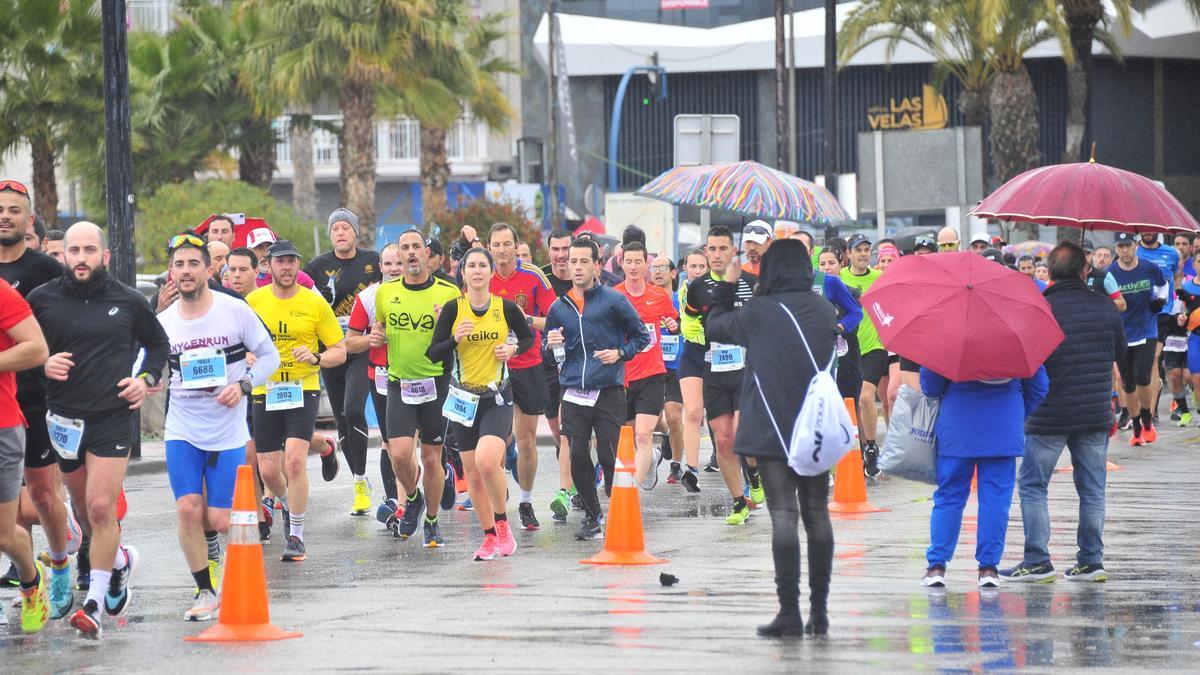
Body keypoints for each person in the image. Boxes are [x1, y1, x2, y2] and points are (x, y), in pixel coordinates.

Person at [29, 222, 169, 639]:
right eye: (74, 250)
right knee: (85, 512)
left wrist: (144, 379)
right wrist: (42, 363)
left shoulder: (128, 300)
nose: (81, 257)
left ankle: (93, 604)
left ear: (104, 256)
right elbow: (20, 345)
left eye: (90, 249)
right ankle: (120, 560)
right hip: (64, 419)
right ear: (63, 254)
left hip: (112, 416)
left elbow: (158, 345)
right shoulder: (42, 300)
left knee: (102, 507)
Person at [706, 238, 837, 637]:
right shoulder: (823, 309)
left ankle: (789, 612)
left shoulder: (759, 312)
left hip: (772, 427)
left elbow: (715, 325)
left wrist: (729, 279)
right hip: (815, 426)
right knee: (817, 514)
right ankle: (820, 612)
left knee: (783, 515)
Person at [156, 235, 280, 620]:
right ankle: (205, 591)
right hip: (182, 429)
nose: (186, 271)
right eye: (180, 265)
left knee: (222, 519)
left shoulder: (233, 310)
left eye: (194, 263)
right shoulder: (163, 322)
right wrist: (146, 379)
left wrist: (242, 385)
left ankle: (242, 579)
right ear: (172, 273)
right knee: (188, 509)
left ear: (209, 269)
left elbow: (270, 356)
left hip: (227, 433)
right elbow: (145, 367)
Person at [1001, 242, 1124, 585]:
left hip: (1048, 414)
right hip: (1094, 412)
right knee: (1092, 487)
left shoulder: (1040, 308)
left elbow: (1025, 359)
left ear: (1050, 274)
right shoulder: (1105, 307)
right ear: (1085, 271)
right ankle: (1090, 560)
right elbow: (1120, 352)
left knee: (1033, 485)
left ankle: (1038, 560)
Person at [0, 181, 75, 620]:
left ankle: (60, 565)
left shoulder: (47, 270)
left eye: (14, 210)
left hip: (37, 398)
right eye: (0, 209)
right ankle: (26, 577)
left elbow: (66, 331)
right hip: (10, 396)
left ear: (29, 221)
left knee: (45, 496)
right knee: (12, 512)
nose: (5, 216)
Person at [427, 248, 532, 559]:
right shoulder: (451, 310)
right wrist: (454, 340)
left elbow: (526, 339)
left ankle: (502, 524)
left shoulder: (506, 308)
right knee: (472, 473)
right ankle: (488, 537)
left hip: (497, 396)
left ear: (490, 272)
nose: (476, 271)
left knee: (488, 461)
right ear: (463, 273)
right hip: (463, 400)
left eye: (481, 265)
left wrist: (512, 351)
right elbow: (434, 353)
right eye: (470, 265)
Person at [247, 239, 347, 562]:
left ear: (298, 266)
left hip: (302, 388)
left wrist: (317, 357)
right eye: (280, 262)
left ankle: (296, 535)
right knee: (269, 472)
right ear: (269, 266)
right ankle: (289, 502)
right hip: (266, 391)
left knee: (293, 461)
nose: (286, 267)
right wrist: (247, 356)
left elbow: (340, 350)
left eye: (292, 262)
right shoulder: (253, 302)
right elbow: (236, 345)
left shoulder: (314, 303)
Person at [544, 237, 650, 541]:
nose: (576, 267)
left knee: (608, 456)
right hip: (573, 391)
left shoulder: (614, 301)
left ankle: (618, 504)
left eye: (582, 262)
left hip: (608, 390)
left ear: (597, 265)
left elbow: (641, 337)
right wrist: (551, 347)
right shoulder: (559, 307)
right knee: (577, 454)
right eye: (572, 262)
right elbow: (547, 354)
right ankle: (593, 516)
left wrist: (620, 353)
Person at [920, 362, 1048, 589]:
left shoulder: (953, 333)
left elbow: (930, 384)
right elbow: (1039, 386)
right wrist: (1016, 411)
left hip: (957, 425)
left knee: (949, 497)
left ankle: (936, 566)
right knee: (996, 501)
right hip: (1003, 426)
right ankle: (988, 568)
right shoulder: (1016, 338)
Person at [371, 230, 460, 545]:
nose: (410, 253)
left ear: (427, 254)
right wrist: (374, 337)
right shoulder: (385, 293)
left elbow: (462, 341)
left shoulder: (449, 294)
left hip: (436, 382)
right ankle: (413, 498)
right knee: (399, 455)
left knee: (433, 459)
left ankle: (433, 520)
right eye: (404, 247)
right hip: (399, 383)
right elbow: (377, 328)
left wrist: (445, 325)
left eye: (415, 247)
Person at [304, 208, 381, 516]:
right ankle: (358, 479)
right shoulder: (317, 266)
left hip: (361, 347)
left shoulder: (372, 261)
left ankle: (361, 481)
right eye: (335, 228)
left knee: (353, 408)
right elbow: (302, 298)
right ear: (330, 234)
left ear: (355, 232)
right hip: (331, 350)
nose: (340, 232)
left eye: (345, 228)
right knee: (342, 419)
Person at [684, 226, 760, 525]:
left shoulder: (751, 283)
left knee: (743, 434)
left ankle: (754, 473)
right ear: (706, 252)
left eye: (722, 249)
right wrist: (699, 333)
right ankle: (739, 501)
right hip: (714, 370)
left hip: (747, 370)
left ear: (734, 252)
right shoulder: (698, 287)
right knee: (724, 440)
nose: (716, 255)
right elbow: (689, 321)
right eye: (711, 249)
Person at [487, 223, 556, 530]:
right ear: (489, 248)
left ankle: (526, 501)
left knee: (527, 440)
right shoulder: (481, 277)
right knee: (497, 440)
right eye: (496, 245)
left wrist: (525, 320)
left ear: (516, 246)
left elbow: (554, 319)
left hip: (528, 363)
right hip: (491, 368)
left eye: (506, 244)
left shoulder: (533, 277)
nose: (501, 251)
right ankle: (497, 503)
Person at [0, 273, 51, 634]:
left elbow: (36, 348)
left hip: (2, 424)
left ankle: (31, 582)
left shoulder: (1, 292)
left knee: (3, 534)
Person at [346, 244, 404, 515]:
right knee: (390, 440)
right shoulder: (368, 298)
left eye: (399, 263)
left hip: (417, 374)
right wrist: (371, 339)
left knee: (422, 442)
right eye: (388, 264)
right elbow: (350, 342)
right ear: (380, 267)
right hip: (380, 375)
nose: (394, 269)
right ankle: (395, 501)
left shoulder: (423, 292)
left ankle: (442, 478)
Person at [615, 242, 679, 490]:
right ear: (621, 263)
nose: (633, 267)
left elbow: (674, 321)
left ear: (646, 264)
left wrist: (674, 325)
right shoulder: (614, 295)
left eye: (638, 262)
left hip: (652, 373)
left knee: (643, 435)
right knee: (629, 437)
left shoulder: (659, 295)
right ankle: (652, 457)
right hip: (623, 375)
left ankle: (632, 494)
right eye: (628, 261)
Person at [1109, 232, 1168, 445]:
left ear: (1136, 246)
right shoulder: (1110, 273)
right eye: (1120, 246)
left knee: (1143, 377)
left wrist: (1160, 301)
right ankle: (1135, 428)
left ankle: (1146, 419)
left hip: (1146, 329)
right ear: (1115, 248)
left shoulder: (1150, 267)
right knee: (1128, 382)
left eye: (1128, 246)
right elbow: (1104, 298)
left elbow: (1163, 285)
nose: (1124, 251)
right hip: (1123, 332)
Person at [839, 233, 886, 477]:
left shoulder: (880, 278)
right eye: (858, 250)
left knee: (866, 396)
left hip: (873, 347)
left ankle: (870, 446)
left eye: (867, 249)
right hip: (847, 349)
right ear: (848, 254)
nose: (864, 254)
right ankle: (856, 449)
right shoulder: (839, 279)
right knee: (849, 402)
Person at [539, 228, 575, 516]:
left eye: (566, 249)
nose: (561, 256)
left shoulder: (582, 277)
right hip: (548, 363)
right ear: (548, 250)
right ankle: (571, 474)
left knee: (567, 428)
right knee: (555, 428)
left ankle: (568, 487)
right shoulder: (542, 279)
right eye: (556, 250)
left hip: (577, 366)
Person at [1136, 232, 1181, 420]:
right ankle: (1137, 408)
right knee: (1139, 363)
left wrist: (1177, 307)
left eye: (1151, 229)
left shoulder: (1171, 253)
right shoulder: (1134, 251)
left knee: (1153, 359)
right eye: (1144, 229)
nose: (1147, 233)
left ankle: (1151, 413)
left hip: (1162, 313)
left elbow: (1177, 278)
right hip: (1138, 313)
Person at [650, 255, 686, 484]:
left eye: (662, 268)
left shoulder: (681, 298)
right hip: (652, 365)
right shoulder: (646, 299)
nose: (657, 272)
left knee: (673, 415)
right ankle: (664, 435)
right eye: (653, 268)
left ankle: (676, 465)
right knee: (654, 419)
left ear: (673, 273)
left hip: (676, 364)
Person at [676, 248, 709, 492]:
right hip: (691, 352)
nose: (697, 271)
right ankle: (692, 469)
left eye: (701, 267)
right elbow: (689, 324)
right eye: (693, 266)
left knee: (721, 421)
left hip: (717, 353)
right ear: (685, 268)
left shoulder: (717, 287)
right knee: (693, 412)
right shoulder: (684, 290)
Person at [248, 227, 315, 289]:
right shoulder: (245, 280)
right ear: (249, 252)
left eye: (270, 246)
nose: (266, 253)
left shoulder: (299, 277)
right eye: (260, 248)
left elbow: (320, 300)